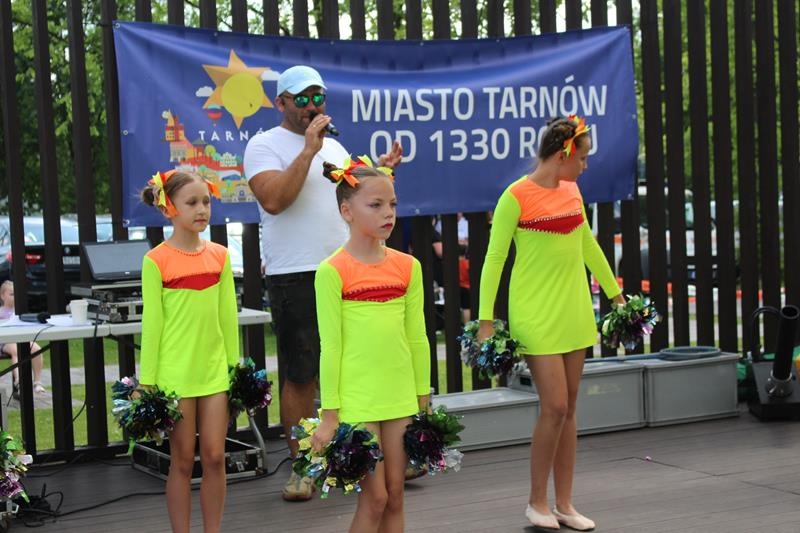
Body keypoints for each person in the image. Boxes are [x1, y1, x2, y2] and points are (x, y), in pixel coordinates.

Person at [243, 65, 402, 501]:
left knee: (354, 365)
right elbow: (274, 199)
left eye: (318, 97)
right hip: (295, 273)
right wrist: (309, 150)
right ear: (281, 103)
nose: (312, 105)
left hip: (345, 270)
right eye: (302, 98)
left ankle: (360, 459)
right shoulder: (264, 145)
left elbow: (355, 197)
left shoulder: (335, 147)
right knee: (302, 373)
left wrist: (381, 171)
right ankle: (304, 468)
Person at [477, 116, 625, 531]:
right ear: (563, 154)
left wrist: (616, 295)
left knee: (569, 408)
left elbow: (588, 245)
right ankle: (536, 502)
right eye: (583, 157)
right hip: (535, 314)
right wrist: (485, 320)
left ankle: (565, 504)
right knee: (555, 405)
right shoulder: (515, 196)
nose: (586, 165)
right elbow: (494, 259)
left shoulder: (573, 190)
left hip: (574, 310)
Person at [311, 157, 430, 532]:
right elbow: (330, 346)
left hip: (399, 396)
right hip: (357, 399)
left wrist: (422, 397)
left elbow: (418, 336)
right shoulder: (331, 271)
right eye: (375, 205)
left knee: (395, 495)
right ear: (347, 211)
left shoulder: (408, 266)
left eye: (392, 204)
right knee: (375, 498)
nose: (388, 213)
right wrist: (330, 415)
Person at [139, 170, 239, 533]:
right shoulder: (156, 260)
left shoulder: (220, 256)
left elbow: (228, 318)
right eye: (192, 202)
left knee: (214, 456)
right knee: (181, 460)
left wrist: (235, 370)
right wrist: (148, 381)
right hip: (175, 376)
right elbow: (152, 325)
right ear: (169, 208)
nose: (202, 209)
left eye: (206, 202)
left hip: (214, 374)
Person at [0, 280, 46, 398]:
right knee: (17, 351)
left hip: (21, 338)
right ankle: (19, 382)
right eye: (11, 294)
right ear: (2, 296)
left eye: (16, 294)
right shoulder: (0, 312)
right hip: (5, 341)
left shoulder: (20, 312)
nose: (14, 297)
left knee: (36, 349)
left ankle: (37, 381)